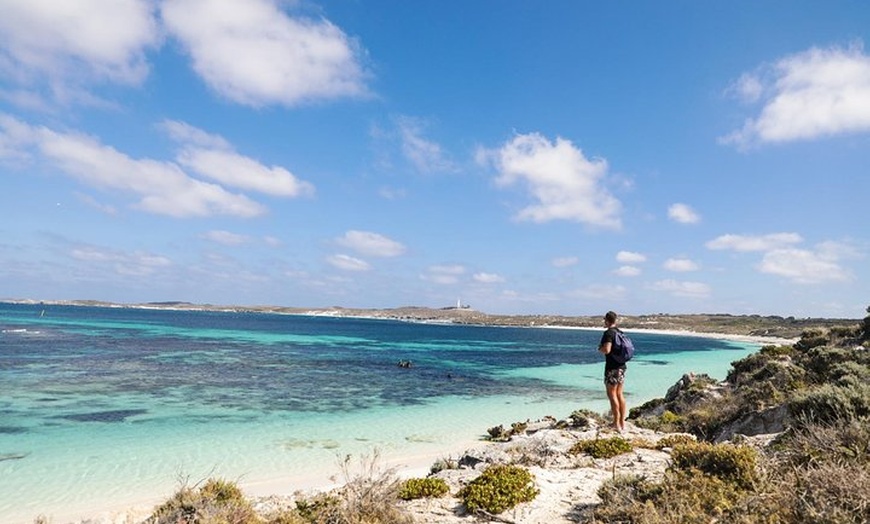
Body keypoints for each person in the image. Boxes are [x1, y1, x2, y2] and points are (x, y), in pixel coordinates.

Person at [598, 310, 627, 432]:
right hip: (622, 367)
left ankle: (616, 423)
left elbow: (607, 349)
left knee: (612, 395)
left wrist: (600, 349)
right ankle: (622, 423)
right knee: (620, 394)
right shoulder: (620, 332)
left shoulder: (608, 333)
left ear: (607, 320)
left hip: (612, 368)